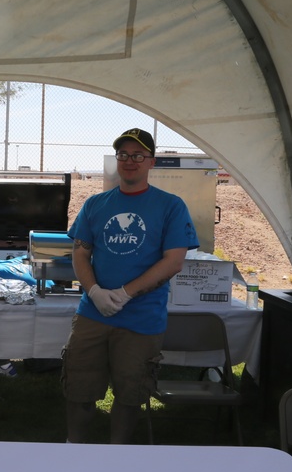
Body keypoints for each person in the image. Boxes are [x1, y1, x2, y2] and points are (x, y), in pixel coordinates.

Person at [63, 128, 198, 444]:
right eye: (123, 155)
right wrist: (94, 291)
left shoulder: (170, 206)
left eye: (138, 155)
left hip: (141, 320)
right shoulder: (96, 204)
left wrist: (125, 293)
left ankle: (117, 455)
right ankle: (73, 449)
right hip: (92, 316)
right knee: (78, 389)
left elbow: (173, 261)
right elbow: (80, 252)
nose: (130, 161)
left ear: (151, 162)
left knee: (130, 394)